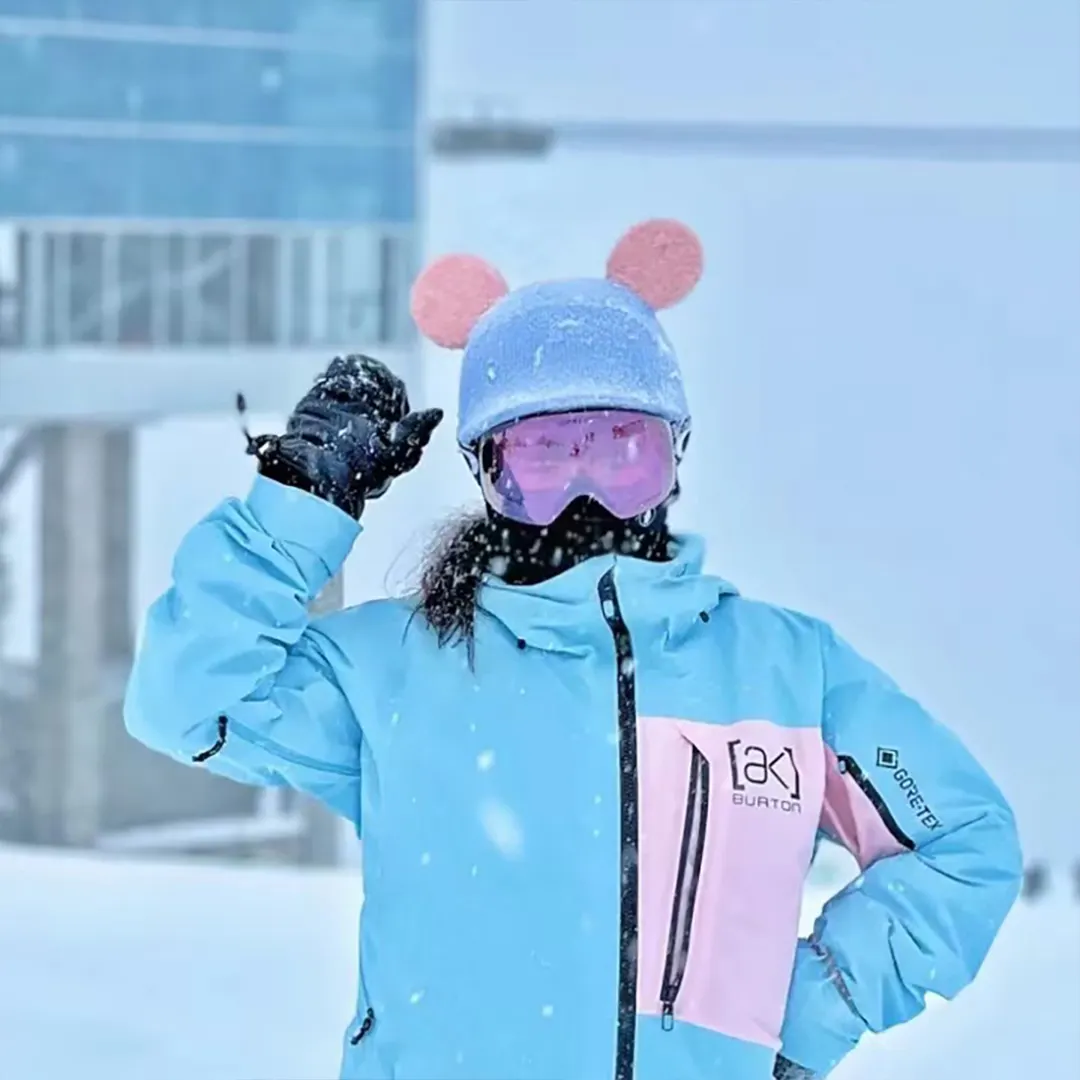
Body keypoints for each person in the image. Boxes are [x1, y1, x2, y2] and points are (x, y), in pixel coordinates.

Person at [124, 220, 1023, 1080]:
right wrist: (298, 508)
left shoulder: (787, 671)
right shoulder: (395, 666)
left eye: (621, 452)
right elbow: (186, 704)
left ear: (675, 458)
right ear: (488, 473)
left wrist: (813, 1009)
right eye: (544, 457)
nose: (586, 496)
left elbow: (962, 841)